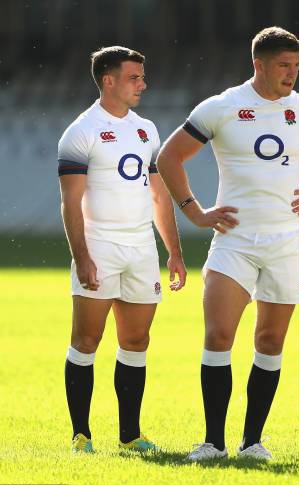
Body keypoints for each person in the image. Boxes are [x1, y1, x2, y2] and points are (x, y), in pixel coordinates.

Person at [157, 26, 299, 461]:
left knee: (270, 341)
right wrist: (194, 211)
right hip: (234, 240)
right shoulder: (223, 107)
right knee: (219, 335)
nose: (292, 74)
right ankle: (212, 442)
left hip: (287, 242)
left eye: (296, 66)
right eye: (284, 65)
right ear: (258, 64)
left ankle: (252, 442)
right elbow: (169, 157)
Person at [58, 46, 187, 453]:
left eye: (142, 77)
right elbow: (71, 202)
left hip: (141, 249)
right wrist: (82, 256)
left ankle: (130, 435)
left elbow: (159, 196)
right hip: (100, 245)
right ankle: (81, 434)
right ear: (108, 80)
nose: (143, 84)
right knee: (87, 339)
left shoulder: (147, 128)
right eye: (135, 77)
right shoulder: (81, 131)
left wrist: (174, 252)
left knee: (137, 340)